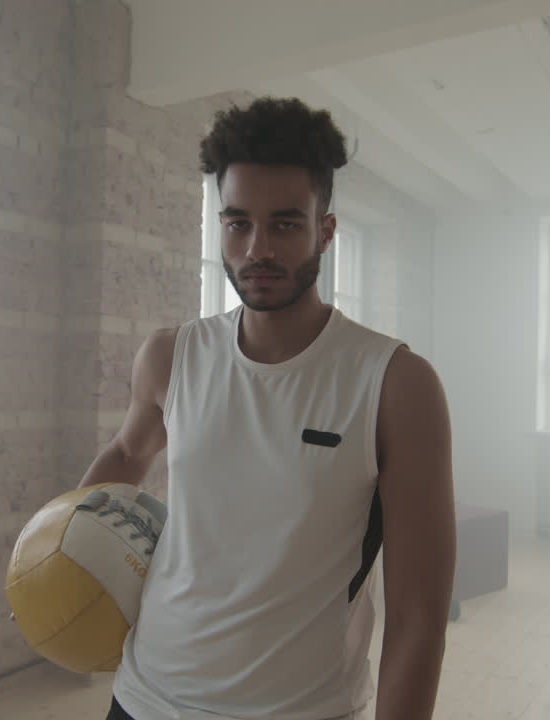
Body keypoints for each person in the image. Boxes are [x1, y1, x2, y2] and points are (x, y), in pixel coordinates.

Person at [77, 97, 456, 720]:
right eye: (237, 223)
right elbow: (126, 451)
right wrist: (52, 546)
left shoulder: (395, 384)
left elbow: (418, 618)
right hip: (143, 699)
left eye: (284, 224)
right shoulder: (172, 355)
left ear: (324, 231)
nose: (258, 248)